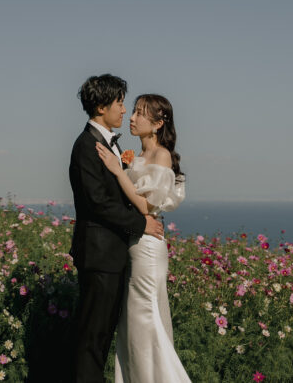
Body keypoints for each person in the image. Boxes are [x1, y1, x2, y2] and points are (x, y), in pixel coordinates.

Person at [69, 74, 164, 383]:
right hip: (99, 256)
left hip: (111, 256)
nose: (125, 111)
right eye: (120, 103)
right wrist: (142, 224)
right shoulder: (86, 146)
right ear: (100, 107)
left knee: (101, 338)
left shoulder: (106, 144)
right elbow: (98, 203)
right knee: (91, 341)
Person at [94, 94, 190, 383]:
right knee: (133, 326)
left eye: (139, 113)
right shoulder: (134, 157)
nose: (132, 118)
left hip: (148, 247)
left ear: (158, 123)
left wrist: (117, 170)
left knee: (146, 318)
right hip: (133, 243)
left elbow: (146, 206)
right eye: (132, 111)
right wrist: (123, 167)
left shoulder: (162, 155)